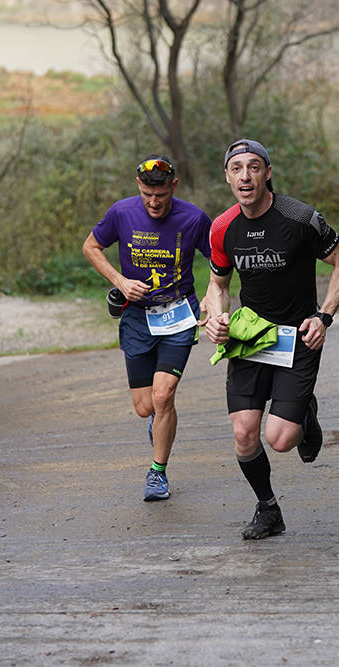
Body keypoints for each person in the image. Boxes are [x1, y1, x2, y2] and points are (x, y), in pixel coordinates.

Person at [203, 139, 339, 539]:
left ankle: (303, 413)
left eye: (254, 167)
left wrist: (324, 316)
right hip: (251, 336)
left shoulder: (300, 218)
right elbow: (217, 284)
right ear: (228, 177)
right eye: (236, 168)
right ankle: (268, 509)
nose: (245, 176)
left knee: (281, 439)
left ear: (267, 173)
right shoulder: (222, 227)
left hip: (298, 336)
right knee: (243, 434)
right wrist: (216, 317)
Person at [82, 155, 211, 501]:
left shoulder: (194, 218)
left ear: (174, 187)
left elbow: (220, 258)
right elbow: (91, 246)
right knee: (145, 407)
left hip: (179, 316)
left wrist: (215, 295)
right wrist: (120, 281)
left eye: (161, 195)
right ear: (139, 187)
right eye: (147, 195)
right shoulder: (122, 213)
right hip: (137, 317)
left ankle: (157, 473)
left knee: (163, 395)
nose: (154, 202)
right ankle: (159, 420)